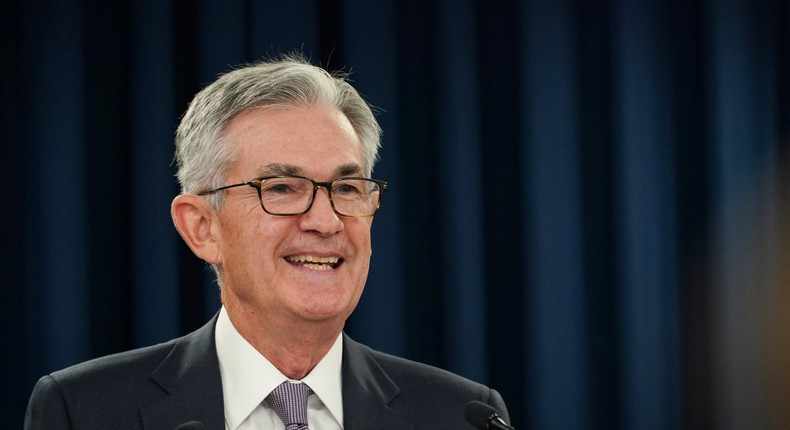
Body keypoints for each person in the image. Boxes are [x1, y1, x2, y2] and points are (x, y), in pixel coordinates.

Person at [24, 55, 510, 429]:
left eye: (346, 188)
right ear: (201, 227)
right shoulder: (83, 410)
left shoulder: (462, 415)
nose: (326, 220)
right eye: (281, 188)